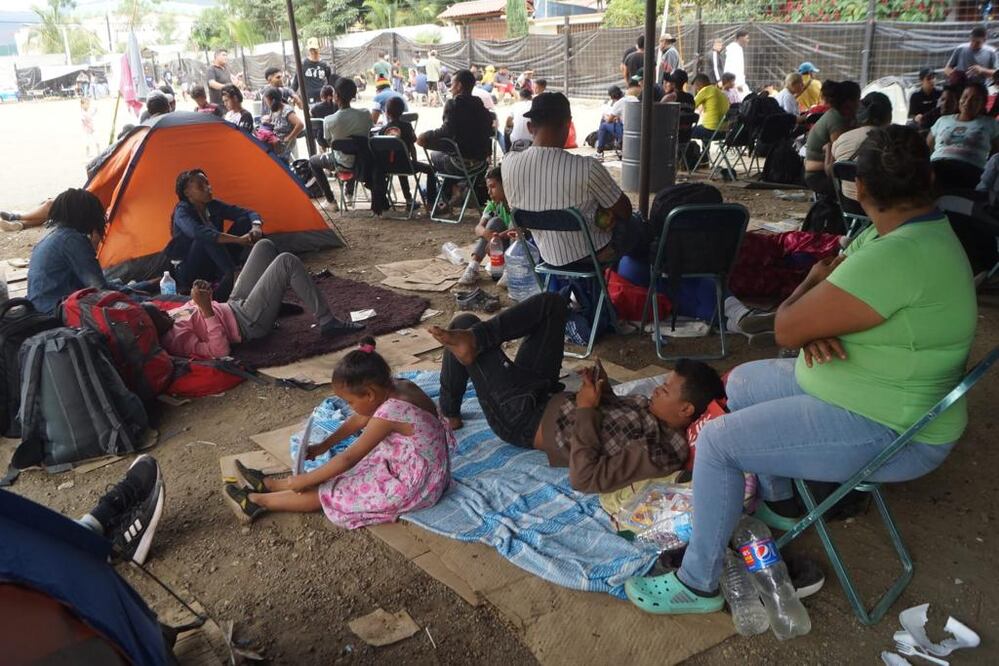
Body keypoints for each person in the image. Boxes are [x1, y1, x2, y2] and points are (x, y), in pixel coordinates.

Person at [623, 125, 976, 615]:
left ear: (861, 188)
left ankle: (698, 582)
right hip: (871, 388)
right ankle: (781, 502)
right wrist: (816, 312)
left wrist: (809, 299)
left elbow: (786, 327)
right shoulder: (904, 232)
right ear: (929, 179)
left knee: (721, 443)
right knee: (742, 380)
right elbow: (821, 313)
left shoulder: (897, 254)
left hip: (895, 428)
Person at [431, 294, 725, 492]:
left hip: (522, 419)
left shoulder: (662, 451)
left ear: (686, 410)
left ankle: (450, 409)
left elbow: (584, 477)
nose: (657, 391)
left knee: (463, 324)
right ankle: (473, 342)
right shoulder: (655, 411)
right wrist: (602, 390)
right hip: (545, 393)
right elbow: (614, 420)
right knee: (552, 304)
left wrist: (586, 408)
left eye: (665, 389)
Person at [222, 337, 454, 525]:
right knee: (338, 474)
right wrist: (323, 446)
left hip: (418, 485)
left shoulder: (391, 412)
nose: (350, 407)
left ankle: (256, 501)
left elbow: (348, 458)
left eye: (350, 402)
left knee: (334, 489)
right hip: (413, 463)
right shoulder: (398, 386)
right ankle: (273, 485)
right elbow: (358, 420)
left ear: (370, 394)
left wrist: (306, 480)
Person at [151, 243, 361, 360]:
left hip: (233, 305)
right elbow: (219, 351)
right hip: (247, 324)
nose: (163, 313)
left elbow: (205, 308)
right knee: (286, 261)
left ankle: (273, 301)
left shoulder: (169, 316)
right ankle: (327, 321)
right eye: (157, 317)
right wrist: (206, 310)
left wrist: (204, 295)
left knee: (264, 246)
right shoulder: (175, 340)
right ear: (153, 330)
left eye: (159, 311)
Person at [501, 92, 638, 269]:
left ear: (529, 127)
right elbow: (625, 210)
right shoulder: (588, 167)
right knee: (636, 223)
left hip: (545, 254)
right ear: (568, 124)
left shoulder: (508, 162)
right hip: (593, 254)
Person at [165, 169, 261, 298]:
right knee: (205, 236)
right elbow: (198, 232)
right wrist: (238, 240)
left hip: (214, 262)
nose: (208, 188)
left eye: (207, 183)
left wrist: (256, 227)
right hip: (190, 270)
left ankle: (266, 273)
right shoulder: (182, 211)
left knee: (244, 222)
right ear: (187, 193)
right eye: (201, 186)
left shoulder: (213, 205)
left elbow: (249, 213)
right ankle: (229, 281)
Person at [416, 69, 494, 215]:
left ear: (458, 86)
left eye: (452, 84)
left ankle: (436, 202)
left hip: (460, 164)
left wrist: (425, 136)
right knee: (446, 156)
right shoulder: (481, 107)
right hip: (481, 164)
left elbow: (446, 131)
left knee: (434, 157)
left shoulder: (453, 104)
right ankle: (454, 192)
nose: (450, 87)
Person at [26, 189, 110, 315]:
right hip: (55, 310)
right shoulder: (73, 240)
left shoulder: (51, 233)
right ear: (87, 216)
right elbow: (100, 289)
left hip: (40, 303)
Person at [310, 77, 374, 206]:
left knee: (313, 161)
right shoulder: (365, 114)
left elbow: (328, 143)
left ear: (336, 96)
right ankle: (349, 193)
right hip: (363, 162)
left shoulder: (329, 120)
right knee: (354, 151)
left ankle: (331, 200)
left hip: (340, 163)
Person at [928, 81, 999, 190]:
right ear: (959, 99)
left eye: (975, 99)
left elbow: (995, 154)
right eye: (965, 97)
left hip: (971, 170)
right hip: (938, 166)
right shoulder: (943, 120)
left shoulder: (990, 123)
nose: (967, 102)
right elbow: (927, 148)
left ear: (983, 104)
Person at [831, 91, 892, 209]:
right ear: (888, 115)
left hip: (848, 204)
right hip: (879, 206)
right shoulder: (891, 141)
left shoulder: (842, 139)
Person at [378, 96, 438, 213]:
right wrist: (414, 160)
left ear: (387, 113)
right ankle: (431, 203)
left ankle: (409, 199)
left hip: (388, 167)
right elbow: (412, 146)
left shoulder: (383, 129)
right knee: (430, 170)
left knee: (399, 165)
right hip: (406, 165)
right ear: (402, 112)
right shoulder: (407, 126)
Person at [804, 80, 861, 200]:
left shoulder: (844, 117)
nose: (859, 103)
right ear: (849, 102)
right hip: (820, 176)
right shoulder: (836, 120)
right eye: (858, 99)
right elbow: (843, 156)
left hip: (828, 170)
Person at [458, 167, 512, 286]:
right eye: (488, 188)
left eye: (493, 187)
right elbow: (478, 228)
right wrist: (490, 237)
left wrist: (497, 238)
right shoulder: (493, 206)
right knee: (495, 222)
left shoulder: (516, 204)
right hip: (498, 249)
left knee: (514, 224)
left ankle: (511, 271)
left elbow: (523, 229)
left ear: (505, 185)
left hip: (516, 249)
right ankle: (473, 267)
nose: (489, 192)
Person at [261, 85, 304, 160]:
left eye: (268, 102)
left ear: (273, 100)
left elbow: (300, 124)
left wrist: (288, 138)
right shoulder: (274, 109)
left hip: (283, 145)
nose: (267, 104)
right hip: (275, 140)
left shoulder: (287, 111)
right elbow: (273, 120)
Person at [691, 73, 731, 147]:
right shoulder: (720, 93)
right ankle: (704, 155)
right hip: (724, 132)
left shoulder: (705, 90)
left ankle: (681, 155)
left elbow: (691, 105)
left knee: (685, 132)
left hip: (711, 131)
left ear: (699, 84)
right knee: (704, 125)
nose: (696, 90)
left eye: (696, 87)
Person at [294, 38, 335, 105]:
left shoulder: (325, 65)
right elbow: (296, 81)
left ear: (319, 49)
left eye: (315, 49)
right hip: (309, 99)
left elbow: (330, 82)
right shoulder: (303, 64)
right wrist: (290, 95)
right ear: (308, 50)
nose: (313, 52)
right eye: (311, 49)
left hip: (323, 98)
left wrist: (332, 95)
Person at [596, 85, 628, 158]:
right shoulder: (629, 99)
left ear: (612, 96)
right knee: (617, 122)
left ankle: (599, 151)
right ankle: (617, 145)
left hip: (625, 132)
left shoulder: (618, 103)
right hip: (635, 129)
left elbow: (609, 120)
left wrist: (605, 117)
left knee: (603, 125)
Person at [504, 87, 533, 152]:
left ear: (520, 97)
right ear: (531, 96)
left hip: (516, 139)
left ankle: (507, 153)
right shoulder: (534, 104)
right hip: (533, 139)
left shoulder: (515, 105)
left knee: (506, 129)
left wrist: (516, 123)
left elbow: (508, 122)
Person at [310, 84, 338, 150]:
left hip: (321, 138)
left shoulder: (315, 108)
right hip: (336, 136)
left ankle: (323, 154)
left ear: (322, 96)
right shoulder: (337, 106)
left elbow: (312, 124)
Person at [724, 30, 750, 100]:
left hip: (737, 82)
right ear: (741, 38)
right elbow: (732, 67)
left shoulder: (738, 48)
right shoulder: (734, 49)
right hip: (735, 83)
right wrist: (736, 83)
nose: (748, 40)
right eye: (747, 38)